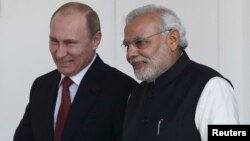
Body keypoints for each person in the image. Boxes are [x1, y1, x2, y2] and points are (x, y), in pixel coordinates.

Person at [14, 2, 138, 141]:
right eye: (54, 41)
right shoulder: (41, 86)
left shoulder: (123, 90)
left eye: (70, 43)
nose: (60, 53)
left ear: (95, 40)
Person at [121, 4, 239, 141]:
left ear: (172, 40)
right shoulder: (136, 94)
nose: (130, 54)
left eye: (140, 42)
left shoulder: (213, 87)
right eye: (127, 45)